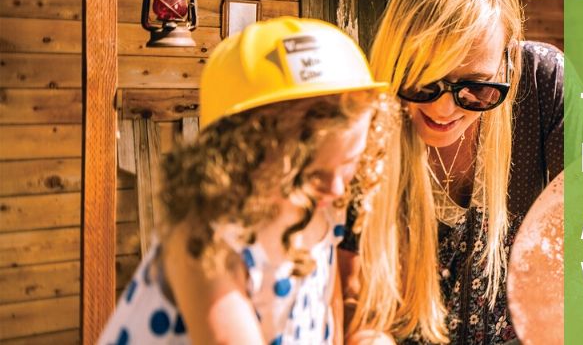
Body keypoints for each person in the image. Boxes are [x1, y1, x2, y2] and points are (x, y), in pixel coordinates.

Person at [98, 17, 397, 344]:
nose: (337, 188)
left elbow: (326, 302)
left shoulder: (324, 209)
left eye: (349, 163)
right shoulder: (204, 242)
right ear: (237, 160)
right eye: (308, 175)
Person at [341, 0, 565, 344]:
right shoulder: (359, 121)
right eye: (423, 82)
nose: (443, 108)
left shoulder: (542, 83)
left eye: (476, 87)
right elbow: (351, 298)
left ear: (508, 62)